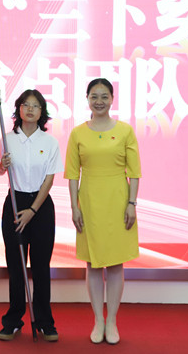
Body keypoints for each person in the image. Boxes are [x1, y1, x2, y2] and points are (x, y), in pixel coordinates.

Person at [64, 78, 142, 345]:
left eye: (104, 96)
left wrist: (132, 204)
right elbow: (72, 175)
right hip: (89, 201)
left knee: (116, 263)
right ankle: (98, 319)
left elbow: (134, 173)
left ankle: (112, 321)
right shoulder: (78, 133)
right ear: (87, 99)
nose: (99, 101)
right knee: (93, 263)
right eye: (94, 96)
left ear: (112, 99)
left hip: (118, 201)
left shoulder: (125, 131)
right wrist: (74, 207)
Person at [0, 89, 63, 342]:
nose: (30, 109)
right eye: (26, 105)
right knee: (16, 267)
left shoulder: (50, 142)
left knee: (41, 267)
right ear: (18, 109)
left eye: (35, 105)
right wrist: (2, 165)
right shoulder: (7, 139)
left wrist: (32, 211)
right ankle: (13, 320)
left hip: (41, 206)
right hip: (15, 202)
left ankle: (45, 321)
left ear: (42, 111)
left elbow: (49, 180)